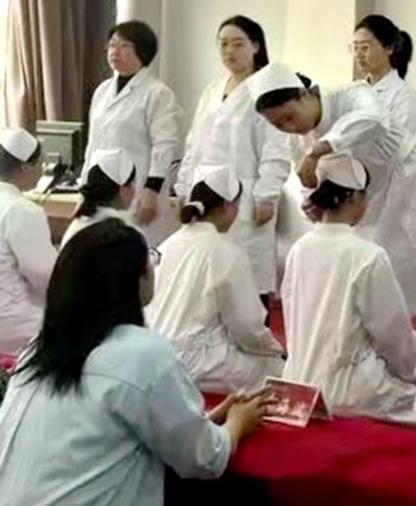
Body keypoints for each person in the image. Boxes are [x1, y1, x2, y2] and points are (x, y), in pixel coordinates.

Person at [0, 220, 269, 505]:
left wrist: (203, 422)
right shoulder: (142, 353)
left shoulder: (40, 349)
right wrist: (238, 423)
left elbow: (97, 430)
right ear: (134, 278)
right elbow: (204, 459)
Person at [251, 62, 416, 316]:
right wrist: (313, 204)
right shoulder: (297, 142)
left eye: (290, 117)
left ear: (306, 94)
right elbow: (309, 184)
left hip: (412, 186)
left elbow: (374, 119)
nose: (289, 128)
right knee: (382, 285)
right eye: (279, 125)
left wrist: (320, 149)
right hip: (368, 206)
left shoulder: (351, 94)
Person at [282, 154, 416, 423]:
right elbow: (392, 335)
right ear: (355, 197)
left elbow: (291, 320)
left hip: (300, 385)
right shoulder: (368, 255)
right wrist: (411, 371)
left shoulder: (299, 250)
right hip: (350, 392)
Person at [176, 16, 291, 300]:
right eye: (223, 44)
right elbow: (194, 144)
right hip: (204, 197)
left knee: (247, 283)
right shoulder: (212, 91)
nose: (229, 51)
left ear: (256, 47)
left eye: (238, 44)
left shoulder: (266, 90)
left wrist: (267, 196)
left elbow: (276, 148)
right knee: (208, 284)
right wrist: (183, 187)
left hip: (246, 201)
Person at [147, 165, 284, 393]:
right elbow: (247, 328)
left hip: (153, 358)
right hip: (196, 363)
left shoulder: (167, 244)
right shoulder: (227, 252)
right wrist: (275, 348)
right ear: (227, 206)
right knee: (277, 369)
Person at [82, 21, 180, 240]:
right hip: (102, 192)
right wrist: (84, 187)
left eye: (124, 46)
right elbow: (93, 143)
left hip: (138, 192)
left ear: (142, 51)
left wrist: (152, 190)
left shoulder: (157, 93)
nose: (115, 51)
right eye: (112, 45)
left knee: (138, 249)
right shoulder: (102, 91)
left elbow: (164, 145)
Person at [0, 128, 56, 356]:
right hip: (16, 326)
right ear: (25, 166)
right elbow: (46, 276)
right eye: (39, 163)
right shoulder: (22, 211)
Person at [352, 15, 416, 136]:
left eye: (365, 48)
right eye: (355, 48)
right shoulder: (354, 90)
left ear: (389, 48)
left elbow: (394, 143)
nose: (358, 55)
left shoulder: (404, 96)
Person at [61, 149, 136, 248]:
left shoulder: (79, 223)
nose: (135, 190)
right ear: (123, 190)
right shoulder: (119, 233)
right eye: (132, 184)